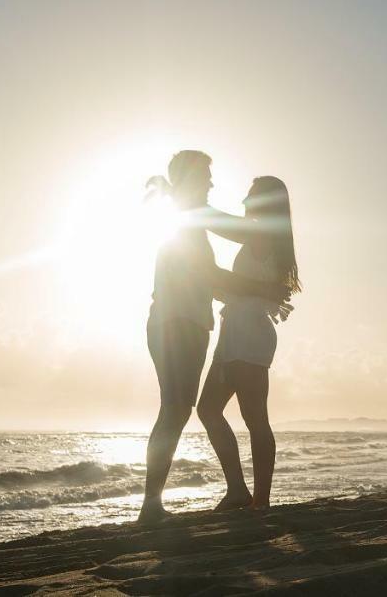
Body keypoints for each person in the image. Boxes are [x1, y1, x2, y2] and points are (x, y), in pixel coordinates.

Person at [138, 151, 287, 524]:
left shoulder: (191, 218)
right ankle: (152, 505)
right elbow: (212, 272)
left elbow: (209, 275)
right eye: (206, 175)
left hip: (201, 325)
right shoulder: (188, 219)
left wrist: (171, 192)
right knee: (178, 409)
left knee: (188, 409)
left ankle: (239, 494)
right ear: (191, 179)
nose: (213, 183)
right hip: (180, 324)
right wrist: (264, 289)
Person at [197, 176, 301, 511]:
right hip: (236, 332)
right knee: (209, 409)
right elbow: (249, 285)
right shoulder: (265, 236)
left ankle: (261, 500)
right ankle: (239, 490)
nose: (244, 200)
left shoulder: (261, 232)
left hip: (249, 335)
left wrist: (189, 202)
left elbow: (217, 222)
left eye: (251, 195)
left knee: (255, 417)